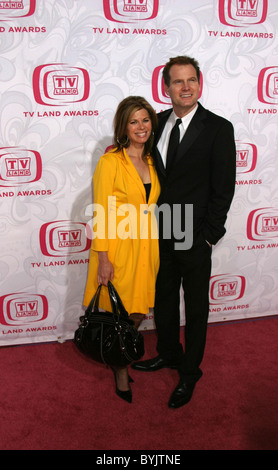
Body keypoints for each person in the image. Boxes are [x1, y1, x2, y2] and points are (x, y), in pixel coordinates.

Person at [132, 56, 236, 408]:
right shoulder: (155, 123)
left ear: (200, 83)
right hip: (159, 232)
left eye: (192, 80)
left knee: (195, 307)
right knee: (162, 300)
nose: (186, 87)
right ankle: (167, 352)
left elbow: (224, 188)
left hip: (194, 235)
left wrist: (209, 234)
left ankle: (190, 372)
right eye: (178, 82)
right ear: (166, 88)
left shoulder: (219, 128)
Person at [83, 96, 160, 403]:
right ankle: (120, 371)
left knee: (140, 309)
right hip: (118, 247)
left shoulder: (154, 160)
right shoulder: (110, 161)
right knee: (121, 314)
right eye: (133, 121)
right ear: (123, 127)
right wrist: (103, 258)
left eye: (145, 120)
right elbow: (100, 210)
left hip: (147, 245)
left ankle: (120, 355)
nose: (140, 127)